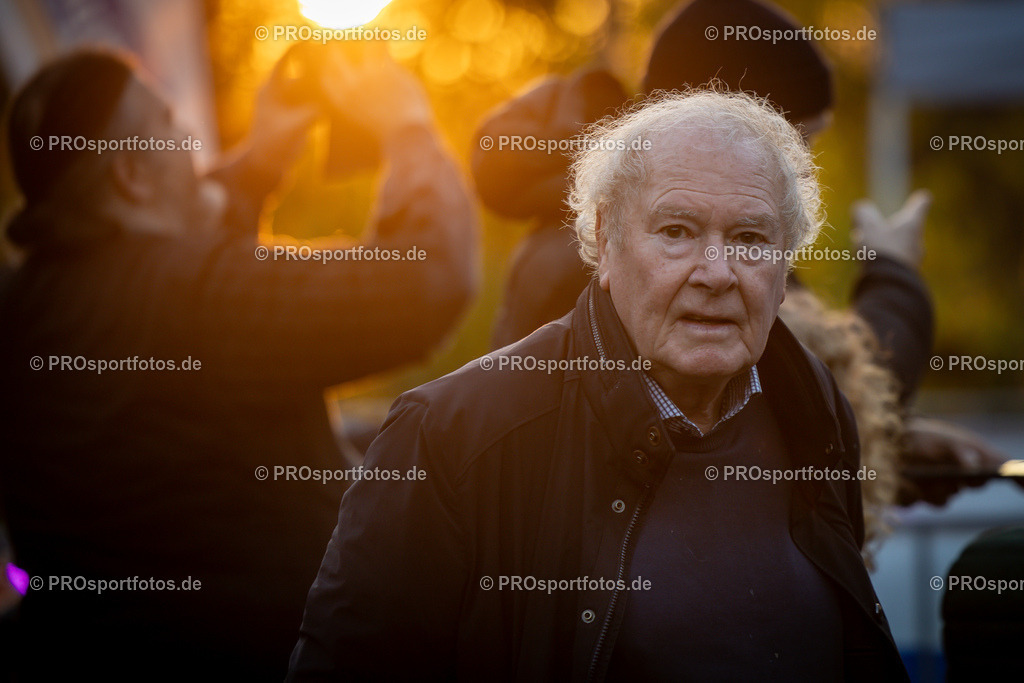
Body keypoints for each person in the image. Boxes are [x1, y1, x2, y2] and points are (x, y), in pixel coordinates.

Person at [289, 90, 909, 681]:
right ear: (606, 240)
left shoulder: (813, 406)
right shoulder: (450, 434)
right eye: (677, 232)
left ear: (785, 263)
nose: (717, 273)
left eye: (750, 238)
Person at [0, 46, 476, 680]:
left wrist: (261, 160)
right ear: (132, 176)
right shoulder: (195, 299)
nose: (188, 139)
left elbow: (154, 248)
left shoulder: (22, 304)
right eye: (169, 123)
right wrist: (407, 127)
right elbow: (427, 279)